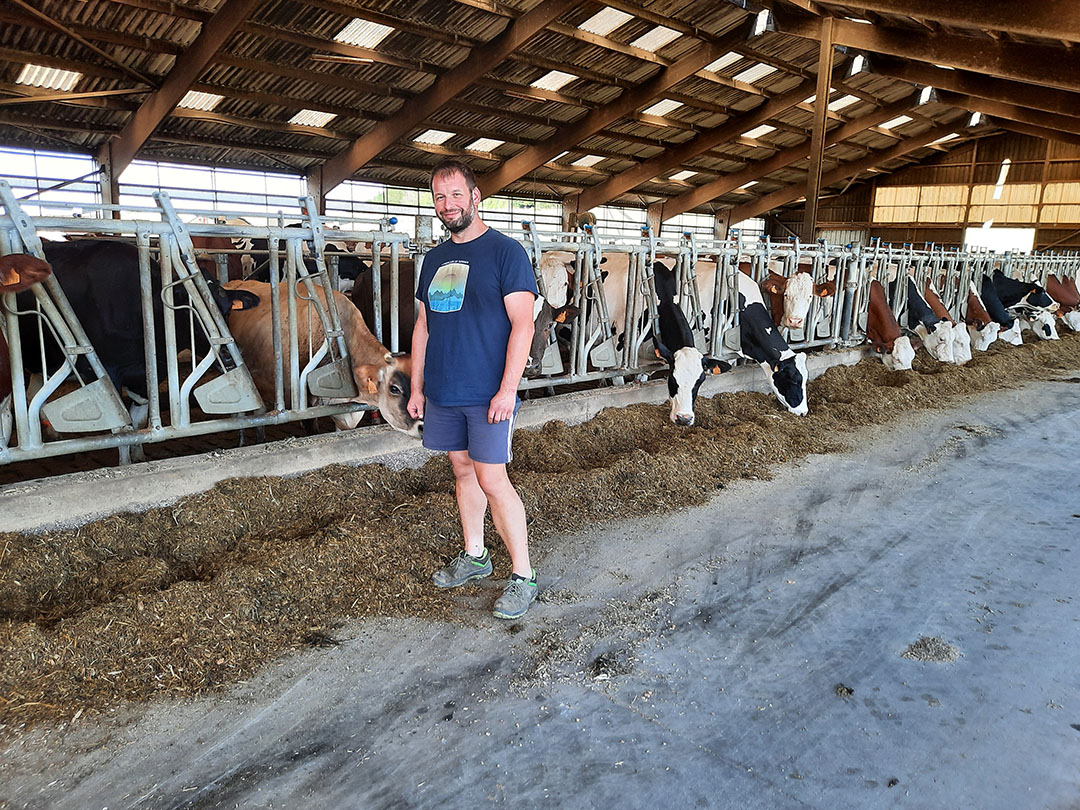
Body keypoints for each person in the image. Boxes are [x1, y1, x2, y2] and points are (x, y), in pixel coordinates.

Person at [407, 159, 539, 620]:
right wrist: (418, 388)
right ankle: (476, 555)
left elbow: (523, 326)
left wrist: (507, 389)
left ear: (475, 196)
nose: (448, 205)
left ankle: (523, 575)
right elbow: (423, 328)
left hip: (488, 393)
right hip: (444, 391)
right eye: (440, 197)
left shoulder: (506, 253)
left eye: (456, 195)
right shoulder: (435, 259)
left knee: (492, 478)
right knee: (463, 472)